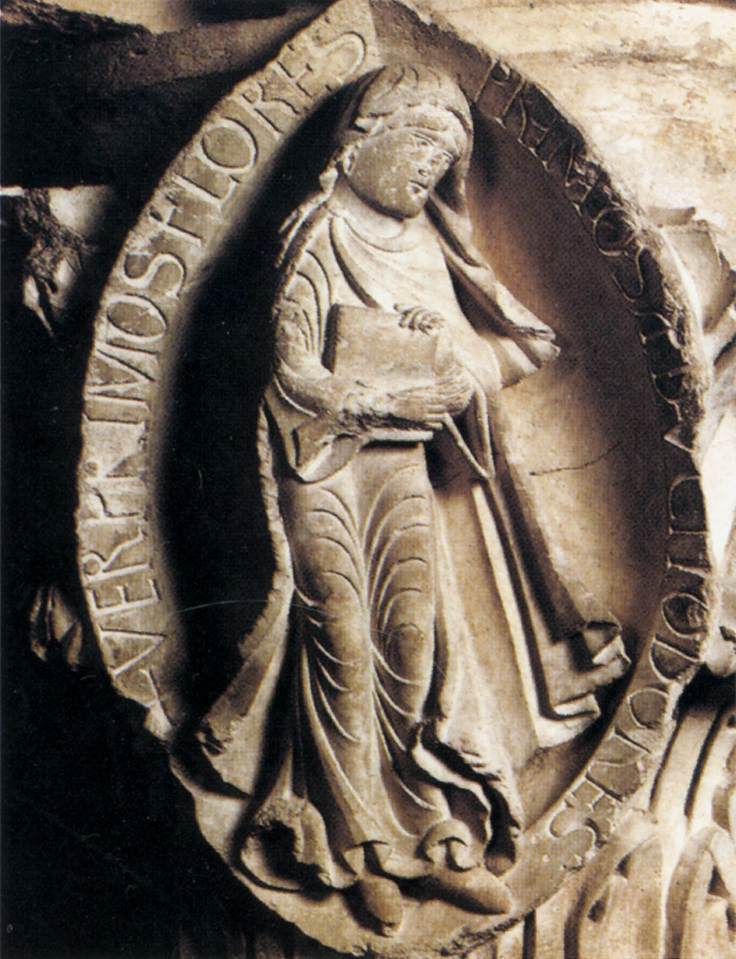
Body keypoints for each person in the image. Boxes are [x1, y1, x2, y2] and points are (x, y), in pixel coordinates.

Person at [199, 64, 628, 935]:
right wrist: (377, 399)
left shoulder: (429, 245)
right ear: (362, 140)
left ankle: (433, 832)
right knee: (340, 637)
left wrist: (443, 357)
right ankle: (353, 845)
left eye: (443, 159)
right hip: (321, 467)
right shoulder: (317, 234)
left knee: (412, 638)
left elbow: (481, 360)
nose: (428, 169)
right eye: (417, 146)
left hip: (400, 467)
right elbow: (291, 371)